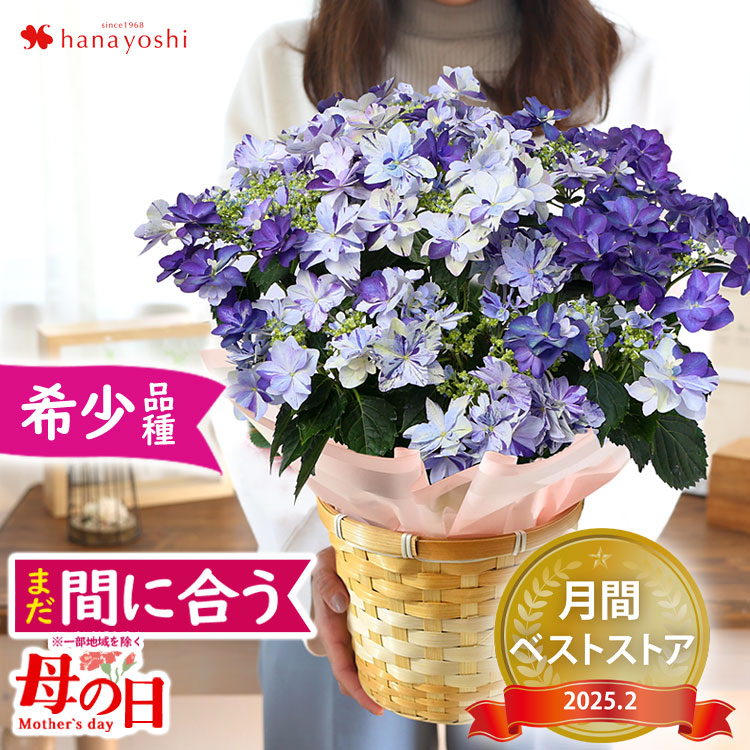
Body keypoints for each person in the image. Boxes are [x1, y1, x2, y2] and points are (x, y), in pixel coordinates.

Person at [215, 1, 677, 747]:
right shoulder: (286, 59)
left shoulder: (626, 66)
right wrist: (311, 559)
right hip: (347, 575)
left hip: (555, 586)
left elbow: (670, 354)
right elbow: (243, 336)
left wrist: (581, 557)